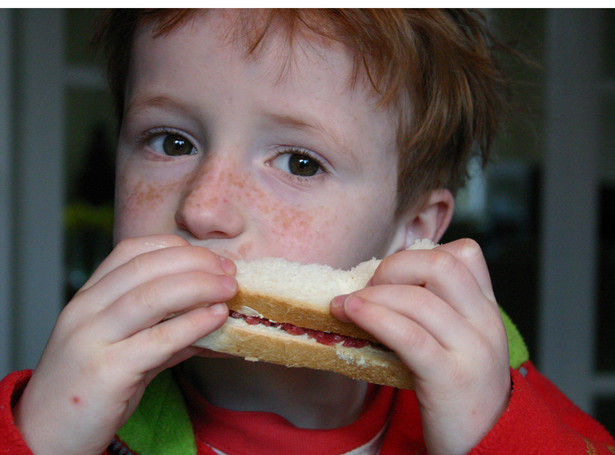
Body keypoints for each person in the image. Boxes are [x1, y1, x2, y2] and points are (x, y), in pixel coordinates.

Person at [1, 8, 613, 455]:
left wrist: (494, 439)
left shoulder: (497, 402)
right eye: (172, 142)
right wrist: (41, 438)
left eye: (299, 162)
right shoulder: (57, 412)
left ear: (415, 233)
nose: (204, 209)